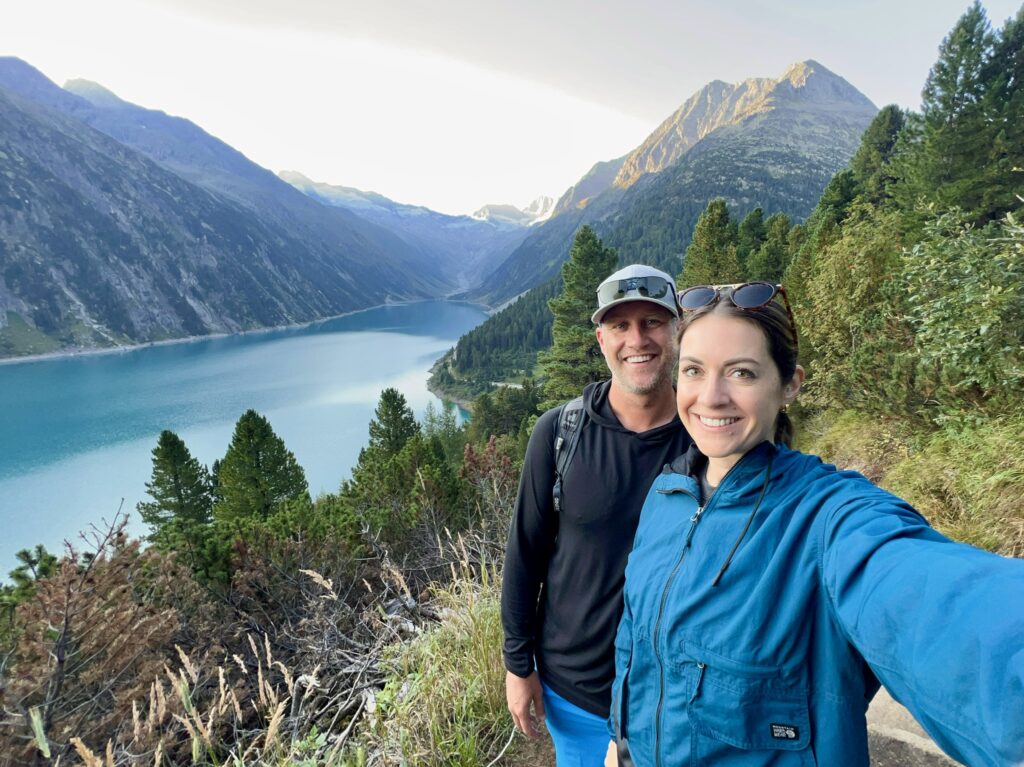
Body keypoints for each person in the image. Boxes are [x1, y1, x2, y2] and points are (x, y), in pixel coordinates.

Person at [609, 281, 1024, 766]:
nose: (711, 396)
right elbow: (635, 640)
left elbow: (939, 601)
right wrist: (619, 743)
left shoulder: (829, 519)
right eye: (693, 371)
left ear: (789, 386)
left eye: (741, 372)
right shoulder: (667, 497)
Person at [502, 264, 692, 766]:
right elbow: (525, 554)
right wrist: (518, 666)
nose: (638, 340)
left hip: (674, 696)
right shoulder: (559, 433)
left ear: (677, 329)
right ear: (601, 337)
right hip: (575, 691)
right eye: (621, 325)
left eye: (652, 321)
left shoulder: (707, 440)